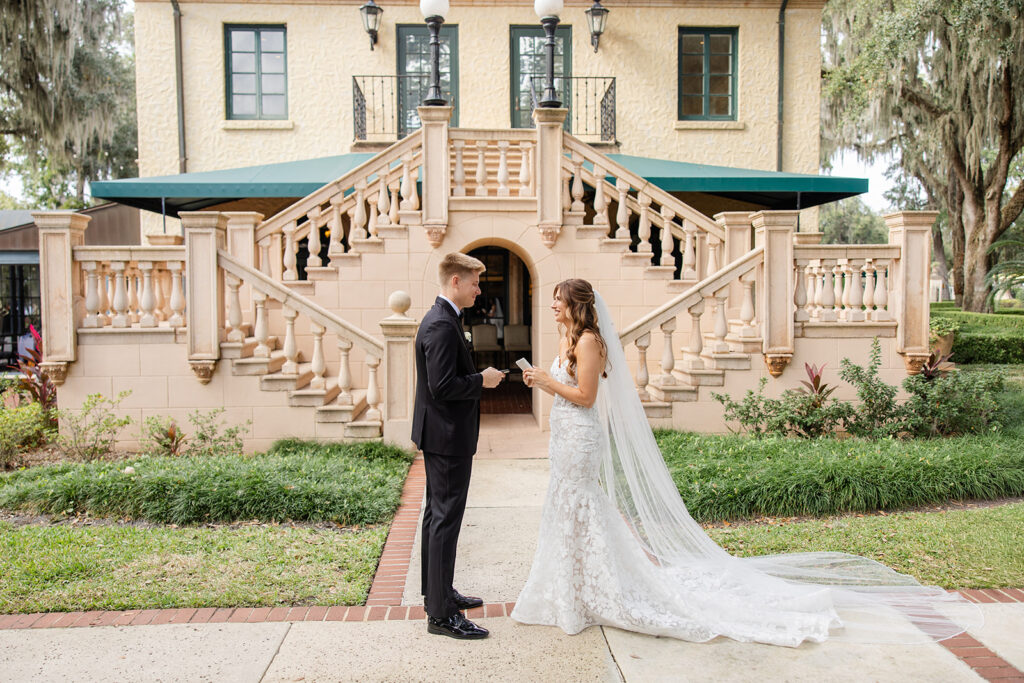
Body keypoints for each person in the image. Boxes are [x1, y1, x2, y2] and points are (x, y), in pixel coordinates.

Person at [511, 278, 979, 647]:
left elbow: (587, 398)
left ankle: (595, 590)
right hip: (566, 438)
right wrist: (544, 378)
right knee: (566, 504)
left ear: (577, 305)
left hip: (581, 436)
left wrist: (545, 384)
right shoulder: (565, 338)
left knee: (582, 504)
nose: (553, 306)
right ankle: (571, 587)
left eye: (558, 300)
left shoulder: (589, 341)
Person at [412, 252, 505, 640]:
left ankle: (438, 593)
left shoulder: (446, 319)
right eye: (474, 283)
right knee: (444, 519)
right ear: (455, 282)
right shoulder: (440, 325)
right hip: (447, 437)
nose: (478, 289)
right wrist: (481, 380)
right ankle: (441, 616)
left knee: (438, 516)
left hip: (443, 434)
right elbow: (442, 386)